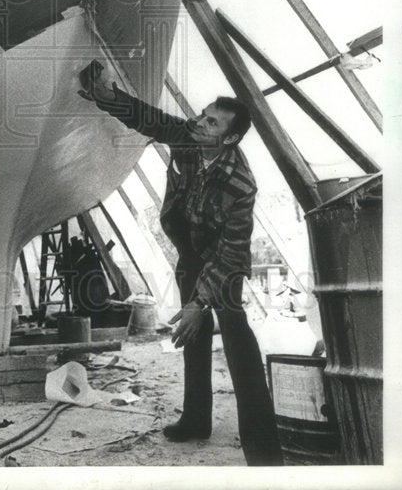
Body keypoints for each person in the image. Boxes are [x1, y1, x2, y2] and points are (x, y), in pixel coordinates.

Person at [78, 60, 284, 467]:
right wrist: (108, 97)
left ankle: (263, 451)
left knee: (238, 343)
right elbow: (151, 120)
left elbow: (231, 251)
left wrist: (199, 303)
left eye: (211, 123)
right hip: (190, 249)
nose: (199, 123)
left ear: (229, 138)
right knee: (194, 337)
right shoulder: (190, 136)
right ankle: (195, 421)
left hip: (224, 261)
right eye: (203, 115)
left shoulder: (240, 184)